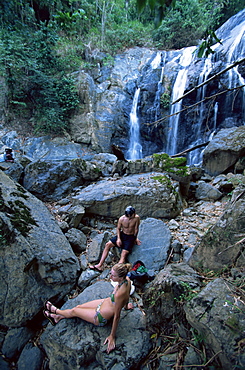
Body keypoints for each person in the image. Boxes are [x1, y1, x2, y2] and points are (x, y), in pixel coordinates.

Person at [43, 263, 133, 354]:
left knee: (75, 311)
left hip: (100, 316)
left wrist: (112, 336)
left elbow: (117, 316)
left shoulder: (119, 295)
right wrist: (126, 306)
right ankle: (58, 317)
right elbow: (127, 296)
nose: (110, 277)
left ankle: (57, 311)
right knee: (78, 307)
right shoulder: (127, 280)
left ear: (120, 278)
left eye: (113, 275)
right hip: (104, 303)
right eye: (110, 273)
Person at [90, 206, 141, 272]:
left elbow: (136, 229)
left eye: (131, 215)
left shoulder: (136, 218)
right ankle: (100, 265)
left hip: (130, 237)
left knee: (124, 254)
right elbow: (118, 229)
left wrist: (135, 238)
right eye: (128, 215)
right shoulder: (122, 219)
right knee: (108, 244)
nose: (130, 216)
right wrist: (118, 239)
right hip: (122, 235)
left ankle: (115, 272)